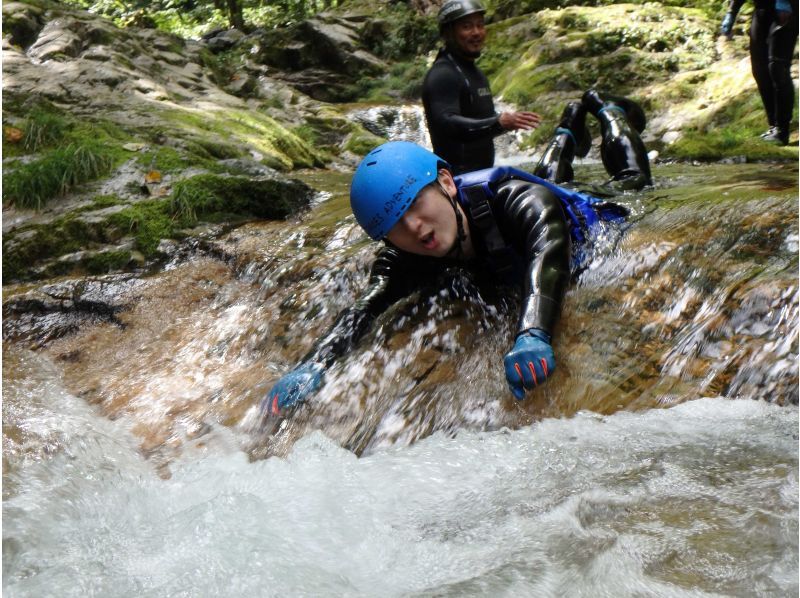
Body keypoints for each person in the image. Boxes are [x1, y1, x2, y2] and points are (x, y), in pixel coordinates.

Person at [260, 89, 652, 419]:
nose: (413, 227)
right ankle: (567, 127)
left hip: (592, 220)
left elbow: (547, 253)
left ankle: (606, 109)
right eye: (396, 224)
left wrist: (533, 332)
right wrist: (315, 364)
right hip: (527, 215)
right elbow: (366, 307)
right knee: (550, 171)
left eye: (416, 204)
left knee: (631, 183)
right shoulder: (404, 253)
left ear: (446, 181)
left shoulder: (518, 199)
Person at [421, 0, 542, 174]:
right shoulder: (443, 74)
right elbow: (447, 123)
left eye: (480, 25)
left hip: (482, 178)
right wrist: (498, 123)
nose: (476, 32)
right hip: (456, 185)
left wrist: (500, 123)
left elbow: (479, 125)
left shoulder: (477, 74)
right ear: (448, 33)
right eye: (467, 27)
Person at [720, 0, 798, 145]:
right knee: (759, 69)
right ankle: (773, 126)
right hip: (762, 9)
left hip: (788, 8)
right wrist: (731, 12)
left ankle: (782, 130)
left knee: (777, 67)